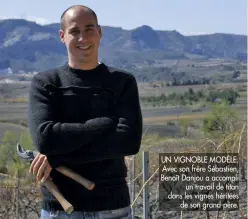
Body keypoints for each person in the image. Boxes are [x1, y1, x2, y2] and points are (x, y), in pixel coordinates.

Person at [28, 4, 143, 219]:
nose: (83, 38)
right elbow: (45, 139)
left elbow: (128, 142)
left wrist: (57, 157)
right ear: (62, 36)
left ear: (99, 33)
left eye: (89, 29)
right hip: (59, 210)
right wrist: (103, 124)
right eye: (74, 31)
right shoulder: (45, 83)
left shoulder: (122, 82)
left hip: (113, 208)